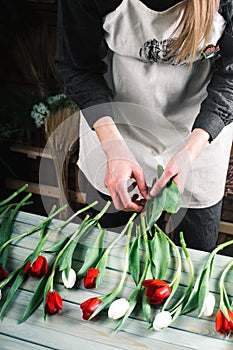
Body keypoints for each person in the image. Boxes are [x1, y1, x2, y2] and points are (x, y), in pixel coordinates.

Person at [55, 0, 233, 251]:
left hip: (198, 137)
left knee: (196, 253)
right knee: (112, 251)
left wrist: (191, 151)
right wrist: (113, 146)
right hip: (115, 129)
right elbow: (77, 67)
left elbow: (231, 77)